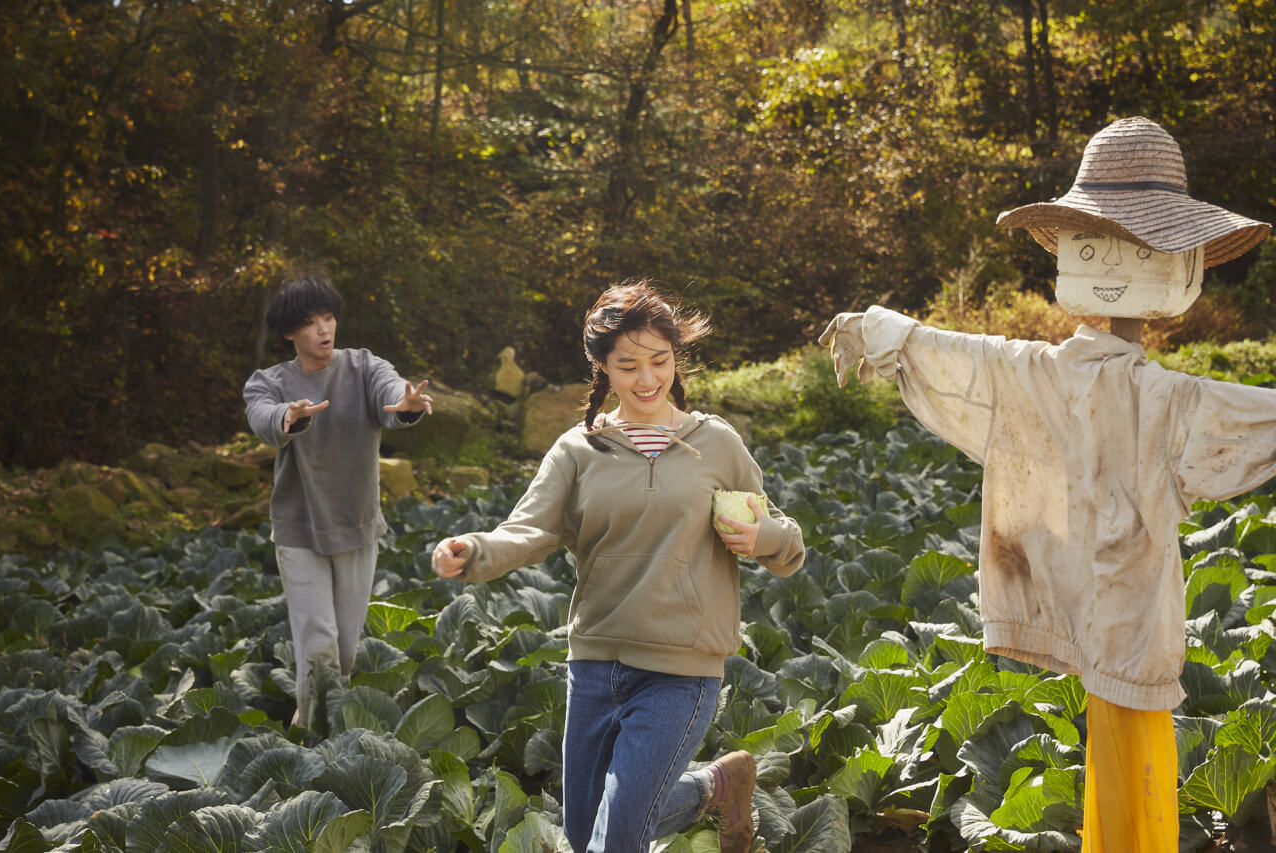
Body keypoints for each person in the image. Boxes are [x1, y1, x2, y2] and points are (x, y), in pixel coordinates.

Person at [820, 116, 1272, 852]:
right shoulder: (1068, 379)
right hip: (1110, 606)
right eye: (1095, 247)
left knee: (1125, 753)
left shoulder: (1145, 395)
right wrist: (880, 331)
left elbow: (963, 355)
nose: (1115, 264)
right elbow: (960, 355)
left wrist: (879, 330)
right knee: (1128, 757)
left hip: (1118, 610)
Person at [431, 281, 806, 853]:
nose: (647, 378)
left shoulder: (716, 444)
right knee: (587, 838)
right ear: (603, 368)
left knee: (616, 840)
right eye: (628, 365)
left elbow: (789, 544)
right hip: (594, 667)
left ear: (676, 358)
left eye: (659, 360)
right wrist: (473, 552)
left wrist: (764, 536)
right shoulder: (578, 451)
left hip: (681, 672)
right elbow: (528, 531)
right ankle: (718, 786)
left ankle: (710, 786)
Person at [243, 271, 433, 728]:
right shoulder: (268, 382)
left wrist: (406, 406)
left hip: (357, 524)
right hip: (299, 528)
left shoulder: (364, 366)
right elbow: (262, 416)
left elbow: (391, 392)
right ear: (290, 332)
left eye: (328, 317)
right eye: (311, 322)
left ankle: (311, 728)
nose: (324, 329)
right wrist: (290, 416)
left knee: (345, 651)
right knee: (320, 644)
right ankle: (315, 740)